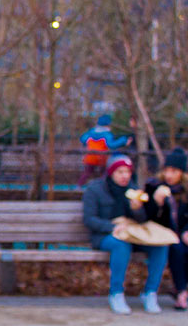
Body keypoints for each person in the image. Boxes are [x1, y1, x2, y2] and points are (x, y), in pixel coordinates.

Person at [83, 154, 168, 314]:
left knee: (160, 246)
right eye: (120, 172)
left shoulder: (133, 189)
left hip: (132, 234)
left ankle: (150, 293)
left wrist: (137, 209)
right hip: (105, 236)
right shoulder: (95, 189)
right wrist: (110, 227)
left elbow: (142, 220)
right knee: (121, 245)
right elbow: (89, 219)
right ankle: (116, 293)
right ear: (111, 172)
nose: (125, 176)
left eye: (128, 172)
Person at [144, 147, 188, 310]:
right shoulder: (153, 186)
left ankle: (180, 289)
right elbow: (147, 218)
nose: (169, 175)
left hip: (180, 234)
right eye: (167, 170)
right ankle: (182, 292)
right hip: (159, 235)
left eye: (174, 171)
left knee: (183, 247)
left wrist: (185, 232)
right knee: (176, 249)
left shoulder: (186, 190)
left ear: (182, 173)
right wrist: (157, 203)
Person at [78, 114, 130, 186]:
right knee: (103, 173)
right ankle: (102, 187)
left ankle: (79, 185)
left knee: (87, 172)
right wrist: (123, 140)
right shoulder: (107, 134)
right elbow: (111, 145)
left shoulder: (91, 132)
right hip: (101, 158)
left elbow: (83, 139)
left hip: (90, 157)